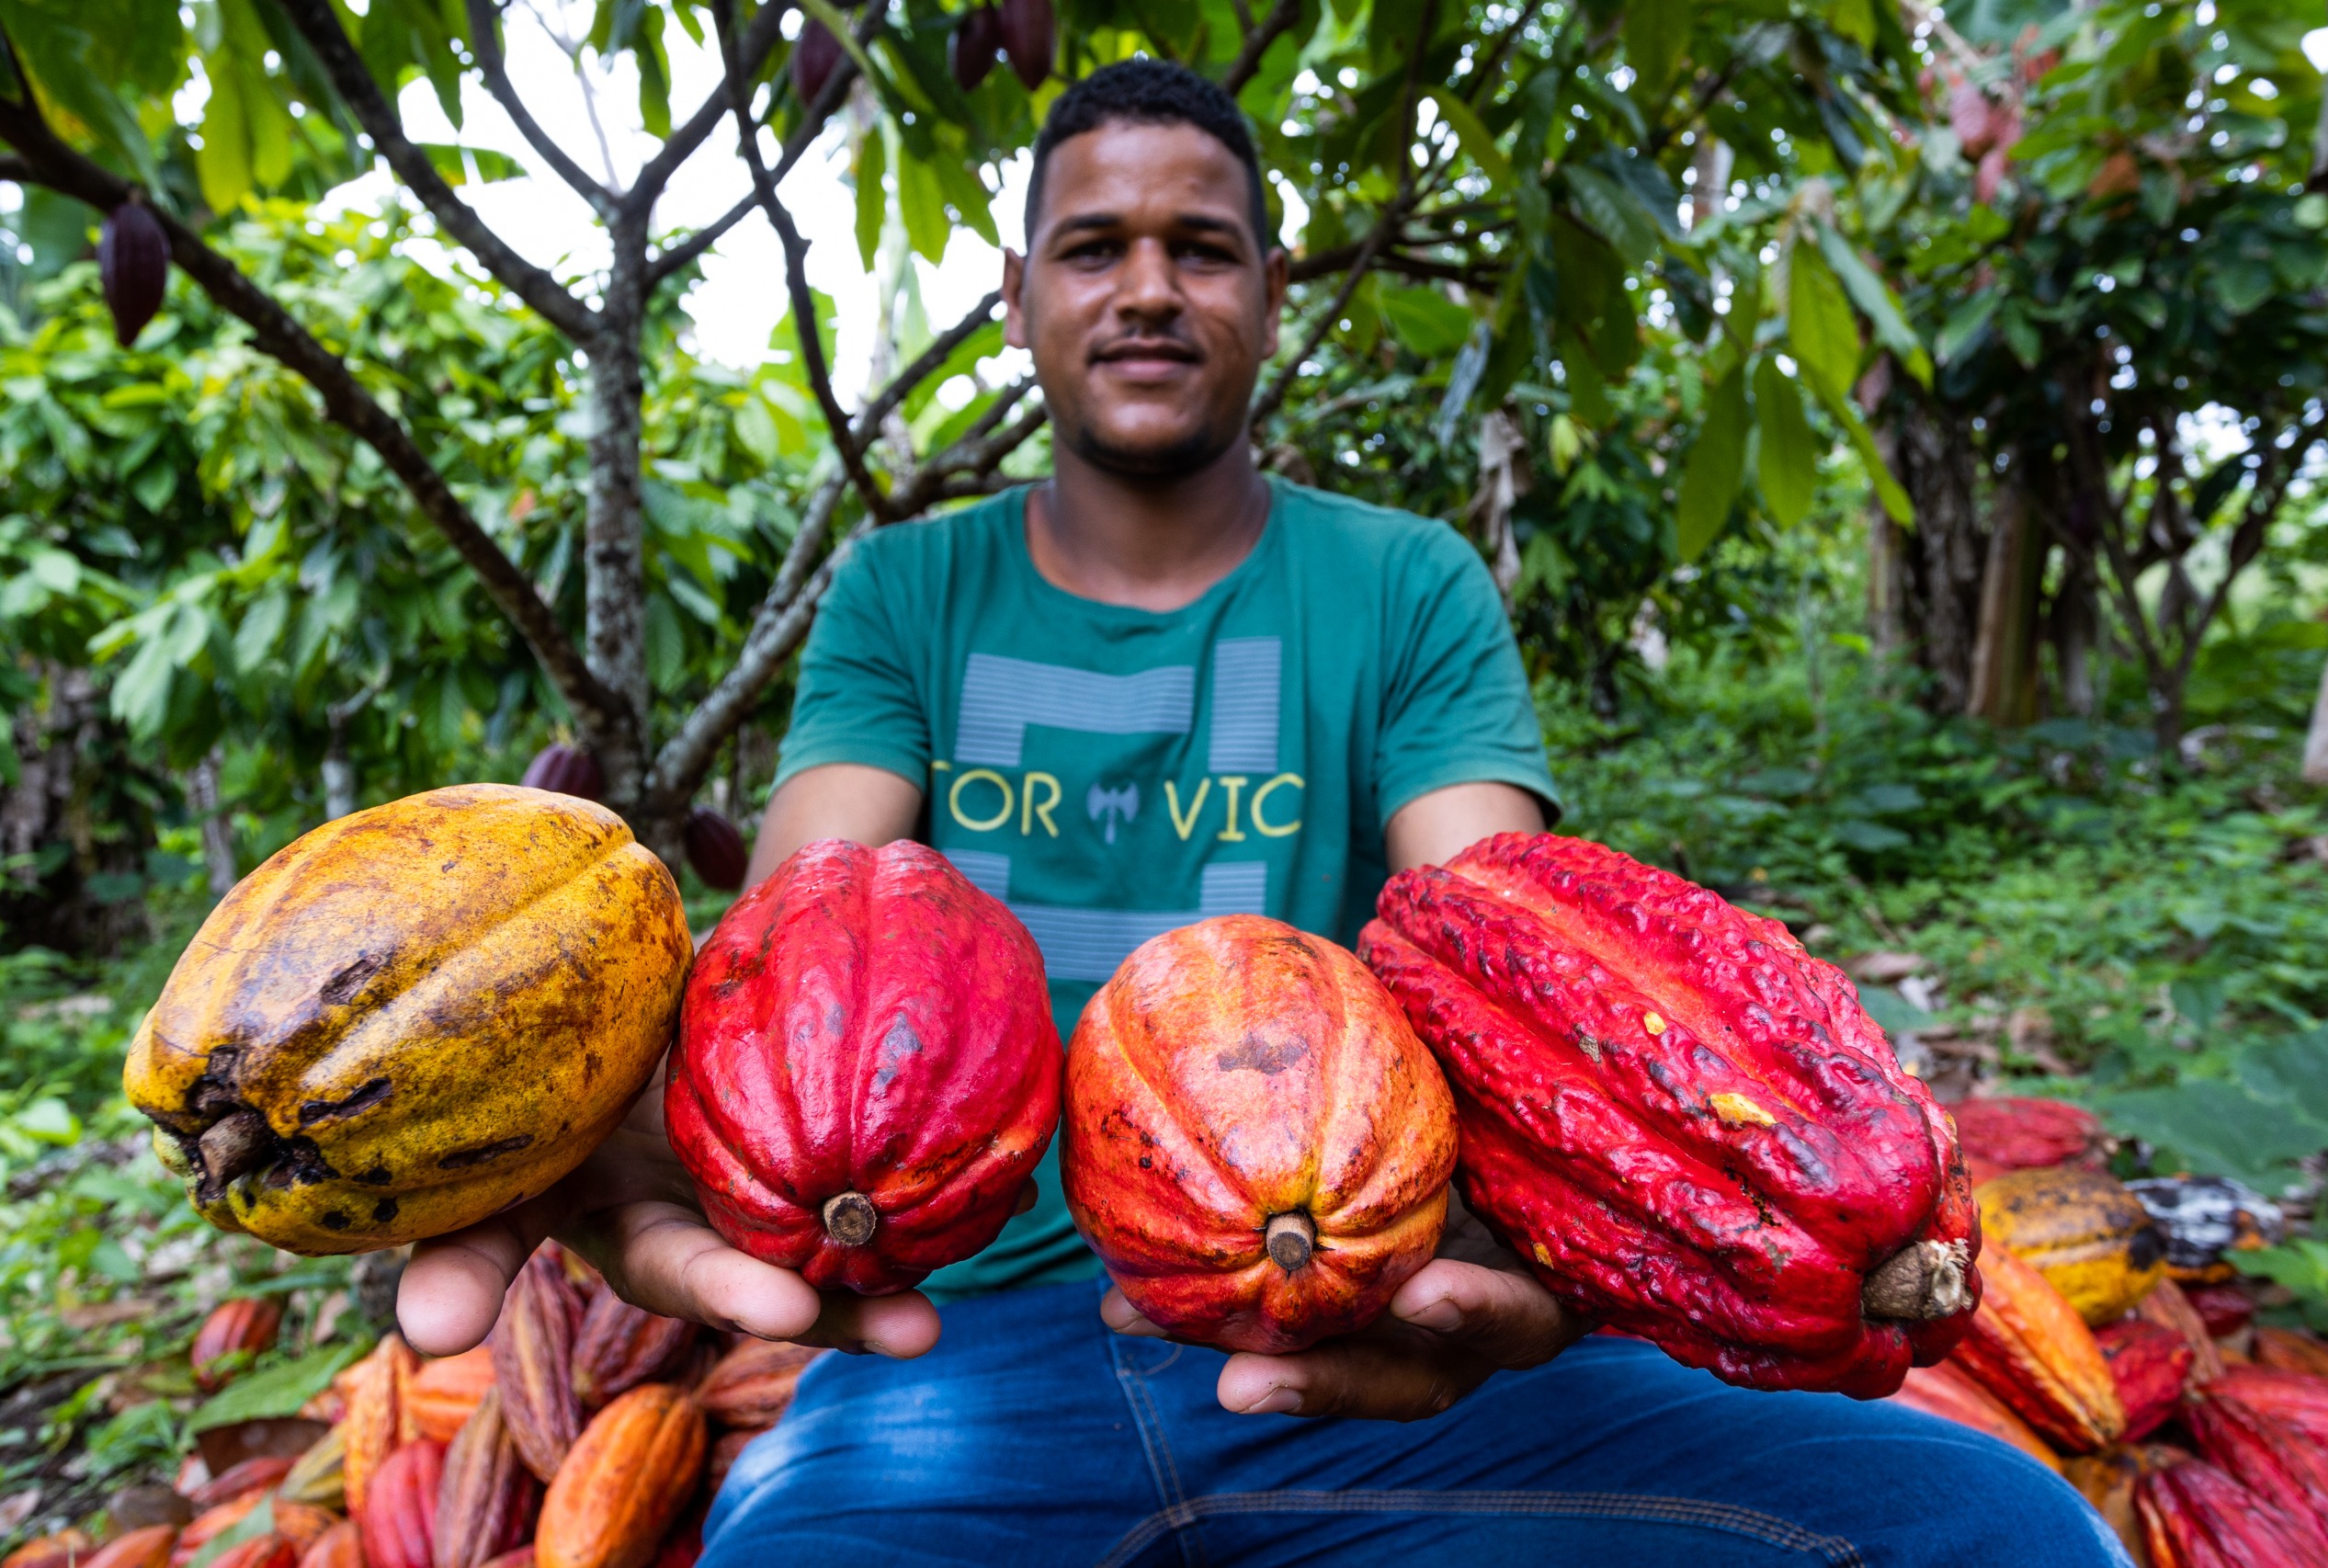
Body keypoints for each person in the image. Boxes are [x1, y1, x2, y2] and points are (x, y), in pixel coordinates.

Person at [398, 60, 2126, 1568]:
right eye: (1094, 248)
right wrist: (596, 1080)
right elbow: (808, 927)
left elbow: (1497, 938)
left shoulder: (1402, 583)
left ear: (1270, 291)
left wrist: (1608, 1175)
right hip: (958, 1343)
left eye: (1199, 246)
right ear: (1016, 296)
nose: (1146, 289)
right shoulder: (902, 591)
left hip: (1362, 1307)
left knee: (1993, 1532)